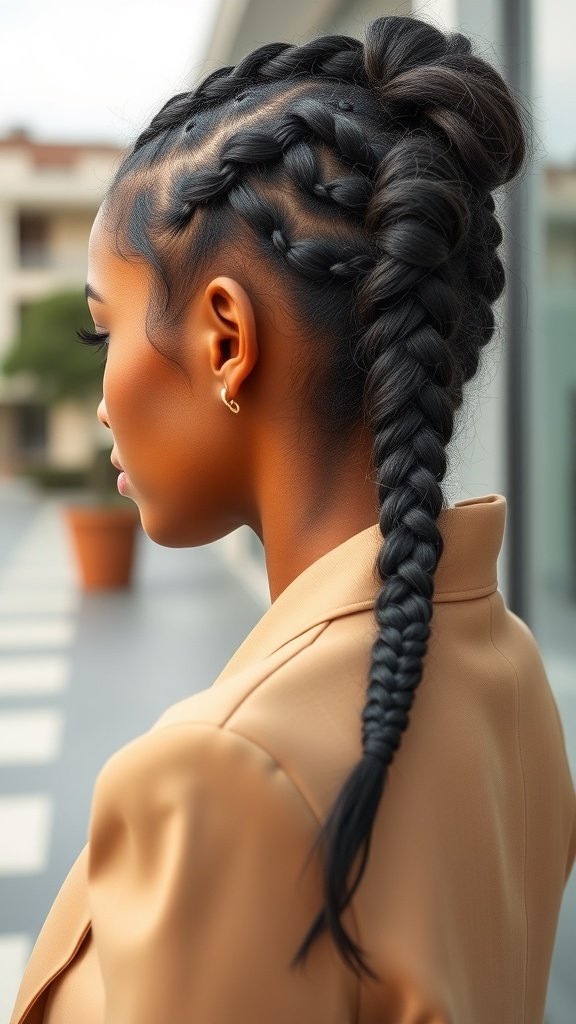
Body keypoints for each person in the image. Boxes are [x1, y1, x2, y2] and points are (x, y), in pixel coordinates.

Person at [10, 13, 576, 1024]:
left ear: (227, 339)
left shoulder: (220, 775)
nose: (101, 397)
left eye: (106, 328)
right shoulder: (507, 666)